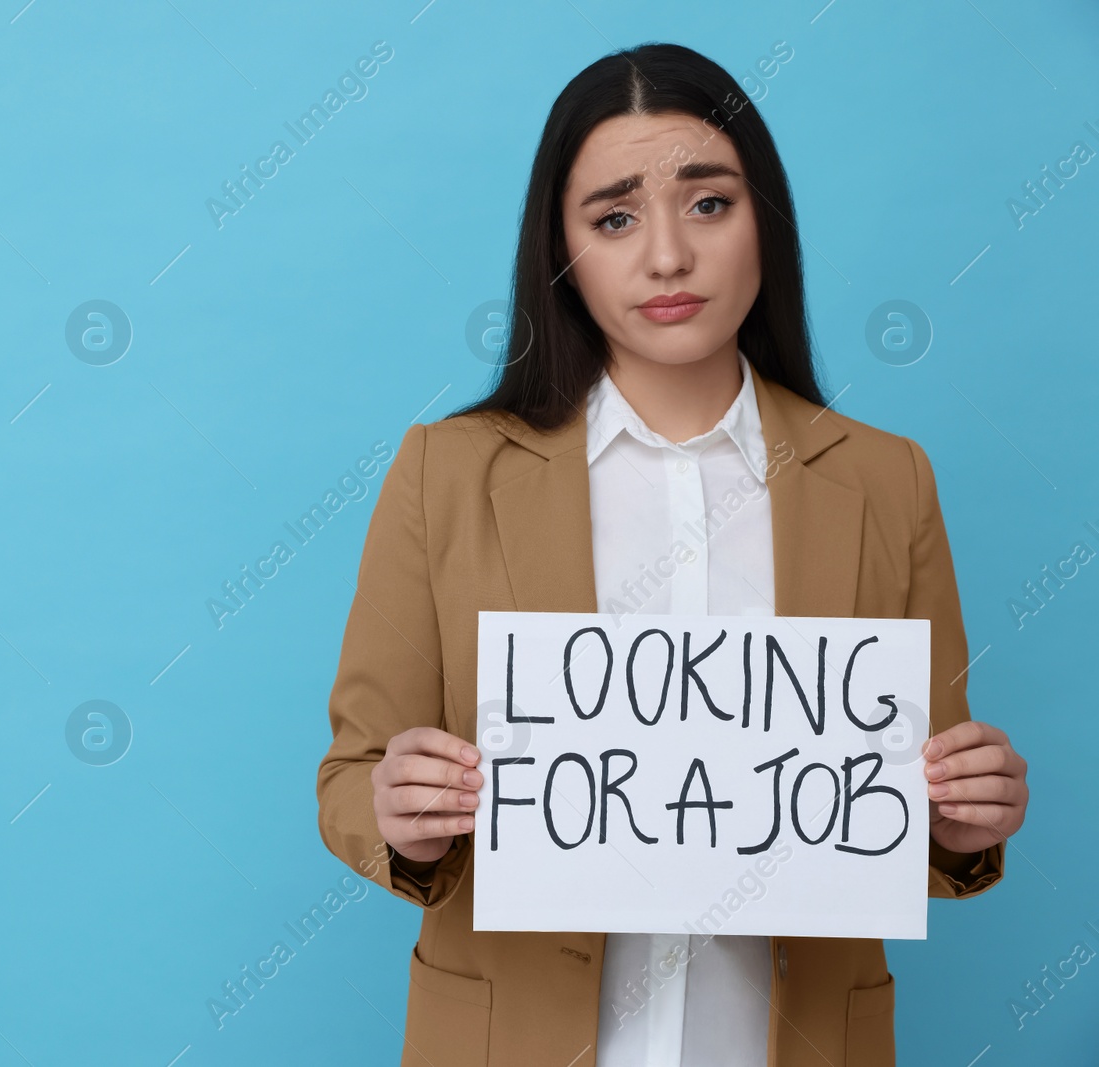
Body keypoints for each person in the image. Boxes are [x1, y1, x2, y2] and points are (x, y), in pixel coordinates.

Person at [315, 41, 1029, 1067]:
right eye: (613, 217)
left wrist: (966, 818)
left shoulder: (885, 482)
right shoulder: (446, 472)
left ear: (763, 221)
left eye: (707, 203)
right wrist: (400, 814)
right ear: (560, 249)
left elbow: (901, 800)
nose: (665, 256)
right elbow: (350, 774)